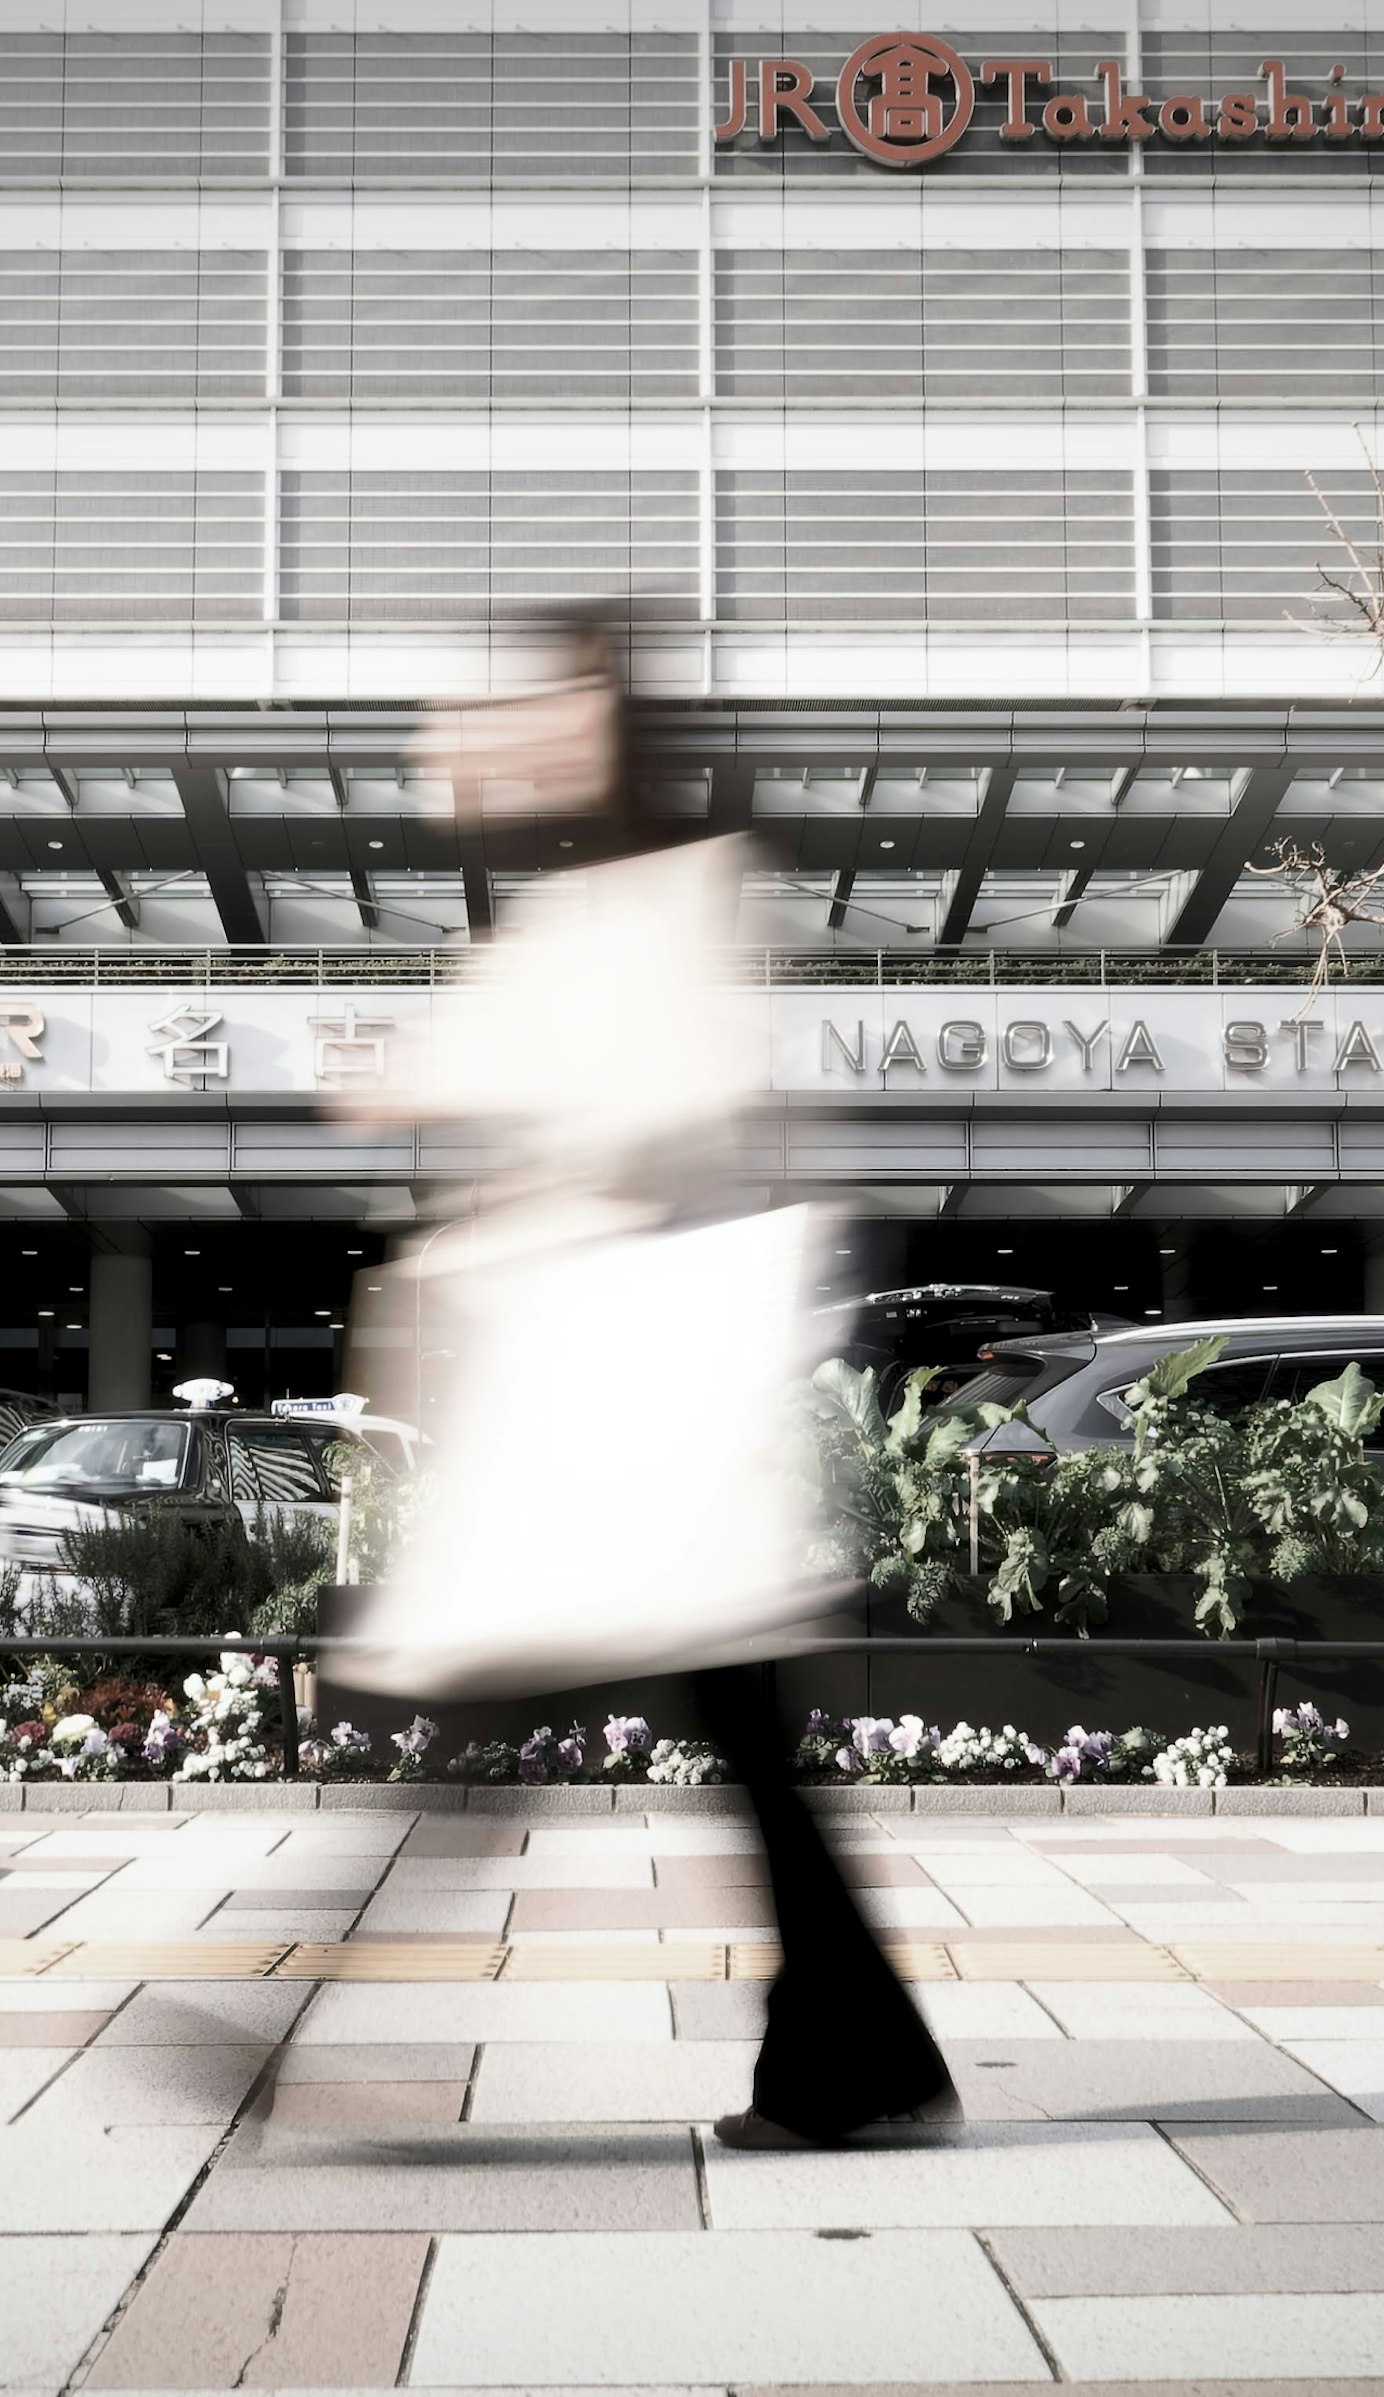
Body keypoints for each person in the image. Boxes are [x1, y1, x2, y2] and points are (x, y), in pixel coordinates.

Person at [332, 615, 954, 2149]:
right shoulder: (585, 904)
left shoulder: (665, 891)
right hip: (614, 1399)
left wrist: (513, 1150)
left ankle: (850, 2056)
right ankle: (855, 2056)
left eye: (547, 709)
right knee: (723, 1735)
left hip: (633, 1401)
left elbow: (678, 1102)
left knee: (525, 1710)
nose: (513, 739)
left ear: (611, 723)